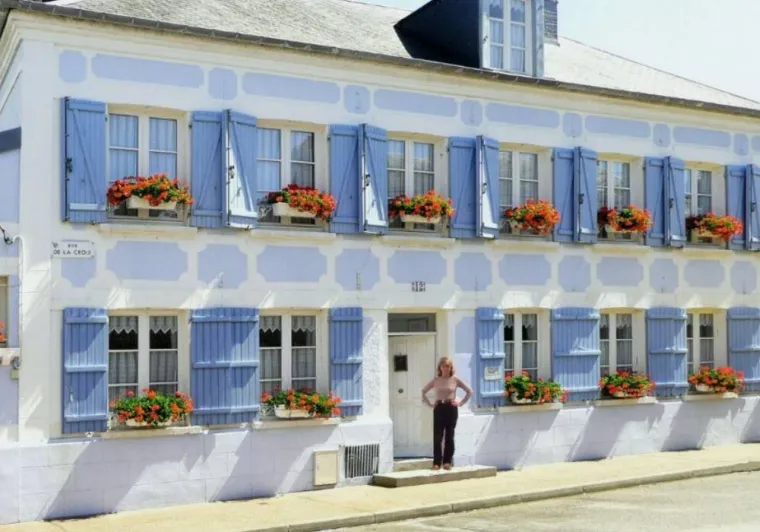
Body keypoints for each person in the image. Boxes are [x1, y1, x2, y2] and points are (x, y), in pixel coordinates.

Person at [421, 357, 472, 471]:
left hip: (451, 408)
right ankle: (436, 463)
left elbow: (469, 391)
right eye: (443, 366)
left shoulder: (455, 379)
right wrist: (430, 404)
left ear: (451, 368)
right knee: (437, 436)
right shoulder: (436, 380)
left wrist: (460, 403)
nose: (445, 368)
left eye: (448, 366)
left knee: (449, 436)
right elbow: (423, 391)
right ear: (440, 367)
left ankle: (447, 462)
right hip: (439, 408)